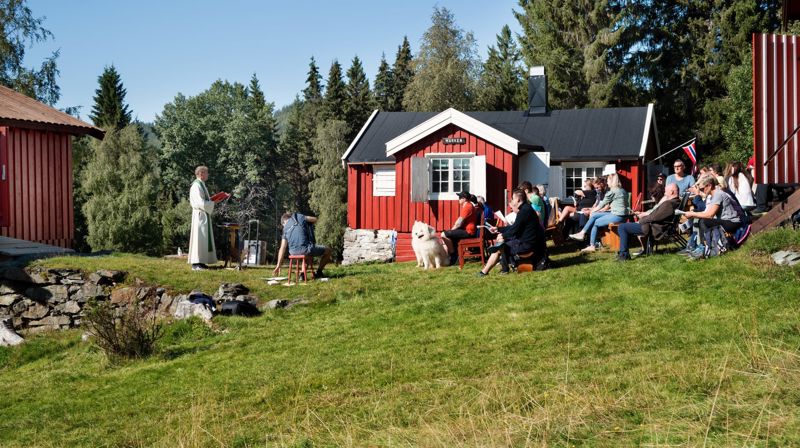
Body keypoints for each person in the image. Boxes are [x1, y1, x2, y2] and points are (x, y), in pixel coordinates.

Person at [477, 189, 546, 276]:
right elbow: (514, 227)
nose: (512, 201)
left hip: (528, 245)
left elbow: (514, 230)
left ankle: (491, 271)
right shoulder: (526, 209)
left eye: (513, 198)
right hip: (527, 242)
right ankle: (501, 269)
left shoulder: (524, 211)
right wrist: (498, 229)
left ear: (518, 200)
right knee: (501, 245)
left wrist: (503, 235)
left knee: (500, 246)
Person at [615, 183, 680, 261]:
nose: (664, 194)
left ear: (672, 192)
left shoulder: (668, 204)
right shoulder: (674, 202)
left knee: (622, 227)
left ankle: (623, 255)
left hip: (654, 228)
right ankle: (624, 253)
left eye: (666, 192)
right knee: (626, 227)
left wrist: (641, 221)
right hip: (654, 226)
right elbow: (655, 215)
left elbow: (655, 217)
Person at [684, 175, 741, 259]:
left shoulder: (718, 194)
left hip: (732, 222)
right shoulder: (713, 195)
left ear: (709, 186)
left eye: (702, 189)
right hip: (726, 221)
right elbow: (707, 212)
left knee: (705, 221)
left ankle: (707, 246)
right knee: (702, 220)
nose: (701, 191)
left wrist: (693, 214)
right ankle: (707, 245)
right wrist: (693, 213)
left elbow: (709, 215)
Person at [568, 173, 628, 253]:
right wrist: (592, 210)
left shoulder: (612, 192)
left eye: (608, 181)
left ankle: (591, 243)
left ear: (612, 181)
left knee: (596, 222)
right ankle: (583, 235)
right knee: (595, 216)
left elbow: (601, 205)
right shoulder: (622, 190)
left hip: (617, 216)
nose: (607, 182)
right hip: (622, 215)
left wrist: (591, 211)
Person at [273, 212, 332, 279]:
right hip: (306, 249)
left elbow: (282, 248)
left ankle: (302, 275)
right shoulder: (298, 217)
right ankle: (319, 272)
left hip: (293, 252)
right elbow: (315, 219)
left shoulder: (285, 229)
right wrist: (306, 220)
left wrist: (278, 265)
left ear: (284, 221)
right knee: (328, 250)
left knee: (306, 254)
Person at [188, 166, 225, 271]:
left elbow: (204, 200)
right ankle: (196, 264)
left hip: (204, 214)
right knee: (198, 239)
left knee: (203, 239)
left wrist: (213, 201)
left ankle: (202, 262)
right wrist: (213, 202)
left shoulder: (202, 184)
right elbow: (200, 202)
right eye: (206, 173)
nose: (208, 175)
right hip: (199, 215)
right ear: (201, 173)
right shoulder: (196, 185)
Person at [441, 191, 478, 262]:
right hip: (467, 230)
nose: (459, 199)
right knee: (449, 235)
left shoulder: (467, 206)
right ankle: (455, 256)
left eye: (460, 197)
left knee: (444, 234)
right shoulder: (468, 205)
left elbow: (458, 223)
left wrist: (450, 231)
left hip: (469, 231)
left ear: (464, 199)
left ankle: (454, 256)